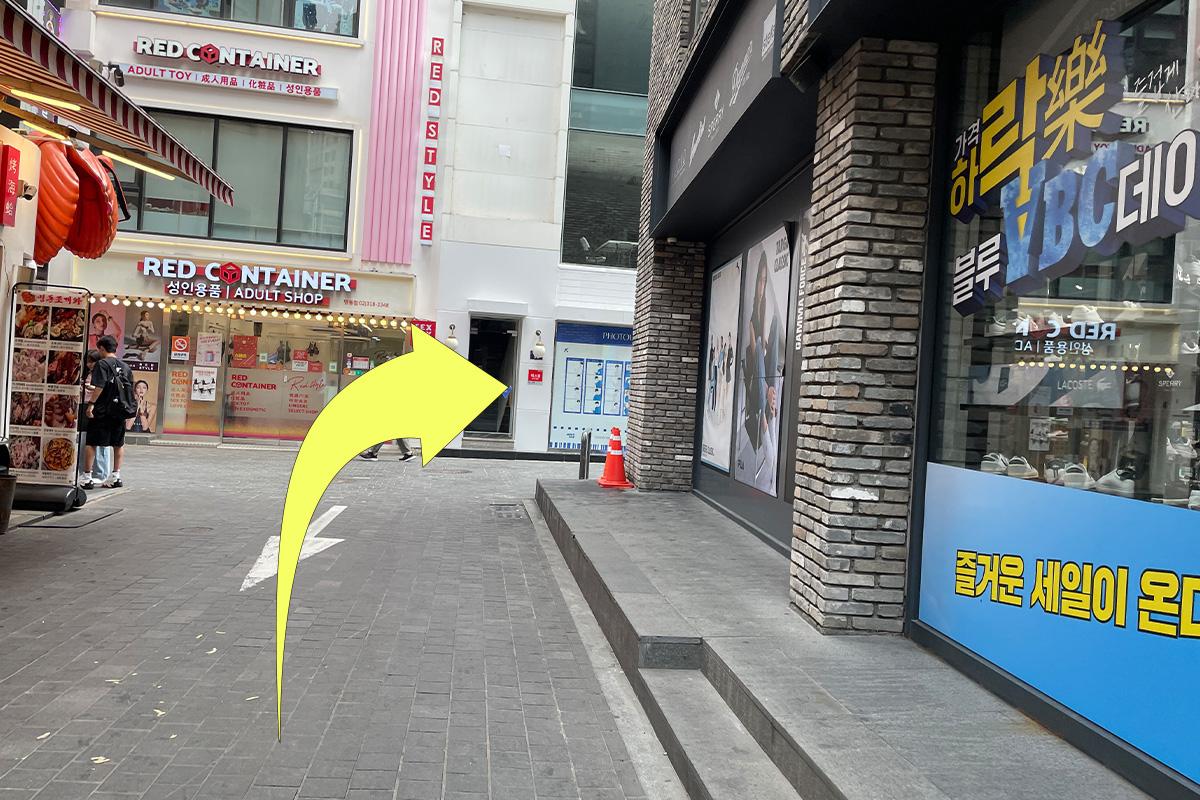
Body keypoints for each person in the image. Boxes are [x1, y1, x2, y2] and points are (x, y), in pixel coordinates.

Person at [80, 335, 132, 489]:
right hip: (120, 410)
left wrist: (91, 404)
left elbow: (99, 386)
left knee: (92, 443)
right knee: (118, 444)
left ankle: (87, 478)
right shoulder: (125, 366)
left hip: (103, 409)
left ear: (102, 348)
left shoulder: (102, 364)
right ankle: (116, 477)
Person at [79, 349, 111, 484]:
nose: (90, 364)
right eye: (88, 361)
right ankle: (84, 470)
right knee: (84, 440)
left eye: (93, 361)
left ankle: (101, 472)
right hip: (84, 406)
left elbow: (105, 389)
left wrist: (92, 388)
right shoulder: (85, 374)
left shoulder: (103, 373)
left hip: (98, 407)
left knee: (99, 441)